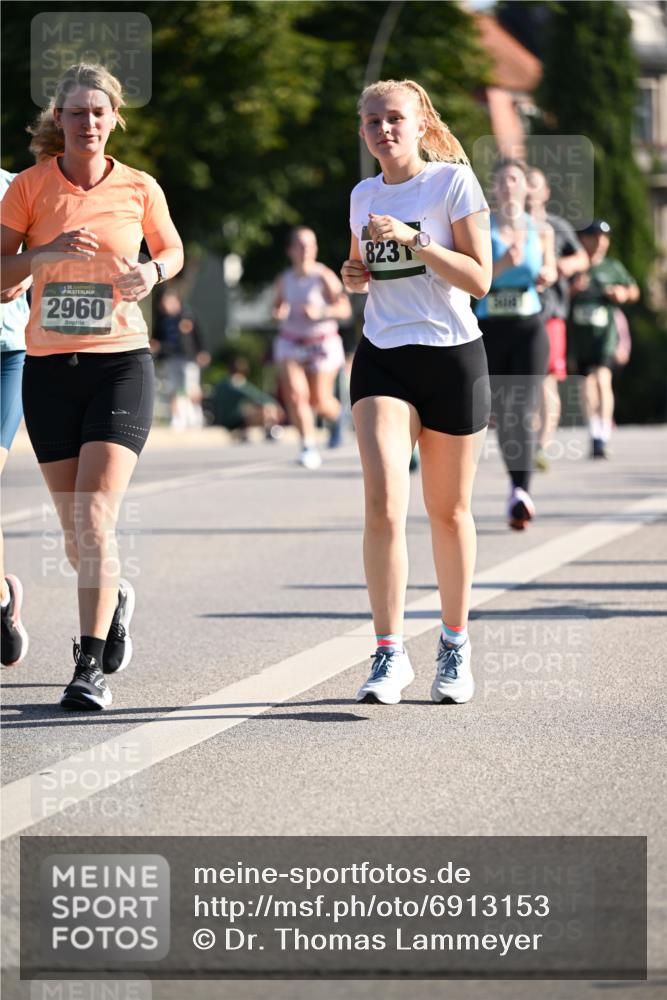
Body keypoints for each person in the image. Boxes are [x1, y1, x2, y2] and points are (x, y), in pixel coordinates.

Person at [0, 63, 183, 709]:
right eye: (75, 112)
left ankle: (86, 669)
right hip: (49, 370)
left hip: (119, 364)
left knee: (95, 517)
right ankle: (115, 598)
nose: (87, 123)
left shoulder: (138, 186)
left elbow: (173, 249)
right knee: (77, 535)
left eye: (98, 113)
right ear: (59, 120)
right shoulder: (28, 188)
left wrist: (154, 272)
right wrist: (40, 256)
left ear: (113, 120)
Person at [341, 78, 491, 706]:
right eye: (373, 122)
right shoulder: (361, 193)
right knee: (382, 502)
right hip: (383, 358)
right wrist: (352, 272)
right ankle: (388, 652)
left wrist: (416, 240)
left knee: (448, 512)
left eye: (395, 118)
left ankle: (454, 646)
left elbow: (480, 279)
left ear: (421, 122)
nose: (385, 130)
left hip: (453, 357)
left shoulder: (452, 183)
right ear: (364, 132)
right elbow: (358, 271)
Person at [475, 159, 556, 529]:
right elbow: (473, 279)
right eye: (502, 180)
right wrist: (504, 263)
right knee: (502, 414)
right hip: (489, 327)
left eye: (514, 179)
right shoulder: (480, 226)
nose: (508, 185)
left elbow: (552, 270)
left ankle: (521, 491)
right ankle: (516, 485)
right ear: (494, 188)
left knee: (520, 408)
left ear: (526, 187)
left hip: (529, 326)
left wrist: (546, 274)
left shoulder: (541, 229)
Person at [273, 226, 351, 469]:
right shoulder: (284, 280)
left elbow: (345, 310)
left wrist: (322, 312)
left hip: (322, 342)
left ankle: (337, 417)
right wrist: (278, 313)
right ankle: (308, 445)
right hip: (292, 342)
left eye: (310, 245)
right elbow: (276, 309)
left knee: (318, 400)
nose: (306, 250)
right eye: (300, 245)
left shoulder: (324, 276)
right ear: (291, 250)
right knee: (296, 396)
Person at [526, 167, 588, 471]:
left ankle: (541, 445)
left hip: (549, 314)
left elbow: (582, 258)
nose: (529, 191)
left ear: (546, 192)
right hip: (513, 316)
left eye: (535, 185)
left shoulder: (557, 225)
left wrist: (558, 265)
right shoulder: (505, 226)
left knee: (546, 380)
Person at [568, 220, 639, 459]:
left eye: (604, 238)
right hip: (580, 340)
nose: (600, 243)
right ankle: (594, 432)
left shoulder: (612, 267)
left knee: (602, 380)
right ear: (583, 240)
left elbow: (633, 290)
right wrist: (574, 290)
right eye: (594, 237)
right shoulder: (575, 265)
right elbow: (556, 295)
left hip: (605, 339)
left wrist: (622, 293)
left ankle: (603, 435)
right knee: (586, 385)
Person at [1, 168, 31, 667]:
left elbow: (35, 253)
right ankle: (4, 597)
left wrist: (22, 271)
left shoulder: (15, 187)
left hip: (6, 353)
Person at [152, 289, 210, 430]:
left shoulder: (187, 315)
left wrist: (202, 351)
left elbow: (198, 335)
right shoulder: (161, 319)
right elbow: (157, 338)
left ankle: (196, 414)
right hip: (170, 357)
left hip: (188, 357)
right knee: (174, 388)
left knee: (191, 387)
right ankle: (178, 417)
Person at [213, 356, 284, 438]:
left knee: (255, 408)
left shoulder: (221, 384)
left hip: (221, 419)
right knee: (266, 408)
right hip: (235, 420)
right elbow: (257, 396)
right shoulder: (237, 381)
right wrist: (275, 404)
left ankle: (269, 428)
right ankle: (270, 428)